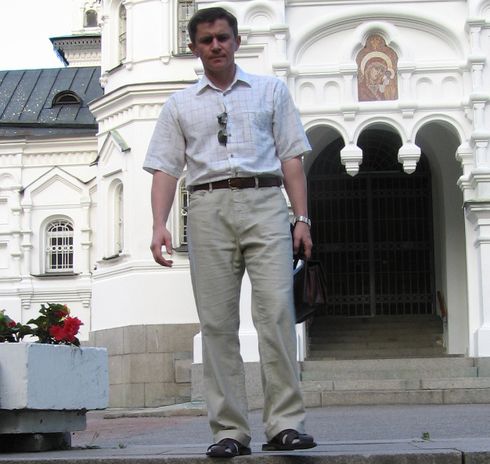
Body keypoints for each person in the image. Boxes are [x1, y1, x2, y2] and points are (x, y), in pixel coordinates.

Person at [144, 7, 316, 458]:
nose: (216, 46)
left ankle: (285, 424)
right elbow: (165, 168)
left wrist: (302, 218)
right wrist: (159, 224)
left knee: (276, 313)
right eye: (206, 40)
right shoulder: (179, 105)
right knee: (217, 323)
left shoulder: (271, 90)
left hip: (265, 202)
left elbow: (292, 157)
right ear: (194, 48)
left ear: (237, 41)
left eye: (222, 37)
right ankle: (230, 430)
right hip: (207, 207)